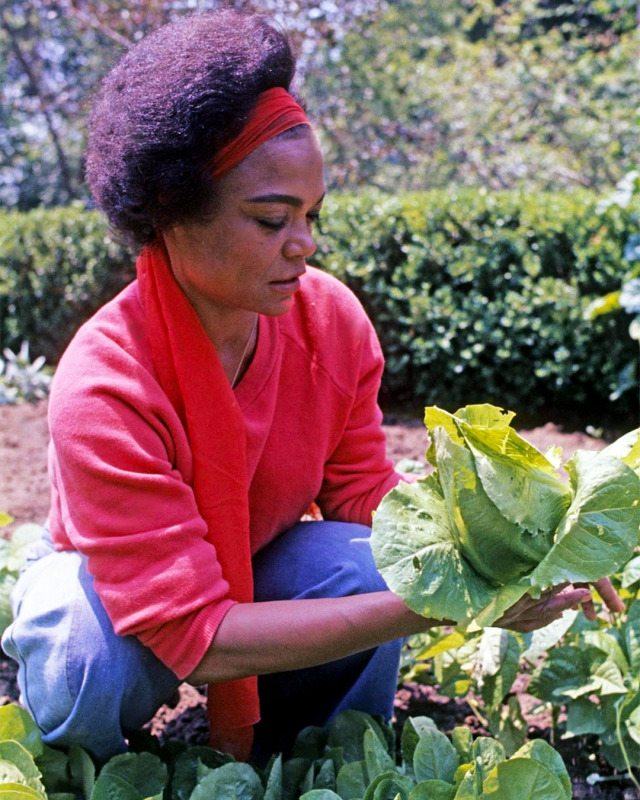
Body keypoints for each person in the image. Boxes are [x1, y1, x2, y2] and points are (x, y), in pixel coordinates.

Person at [1, 9, 622, 767]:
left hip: (254, 565)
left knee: (366, 561)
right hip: (132, 607)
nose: (305, 244)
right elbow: (194, 638)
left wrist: (519, 545)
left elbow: (370, 499)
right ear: (170, 214)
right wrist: (431, 606)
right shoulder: (107, 384)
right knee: (74, 642)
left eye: (311, 215)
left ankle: (316, 758)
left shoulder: (330, 323)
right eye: (271, 220)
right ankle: (85, 772)